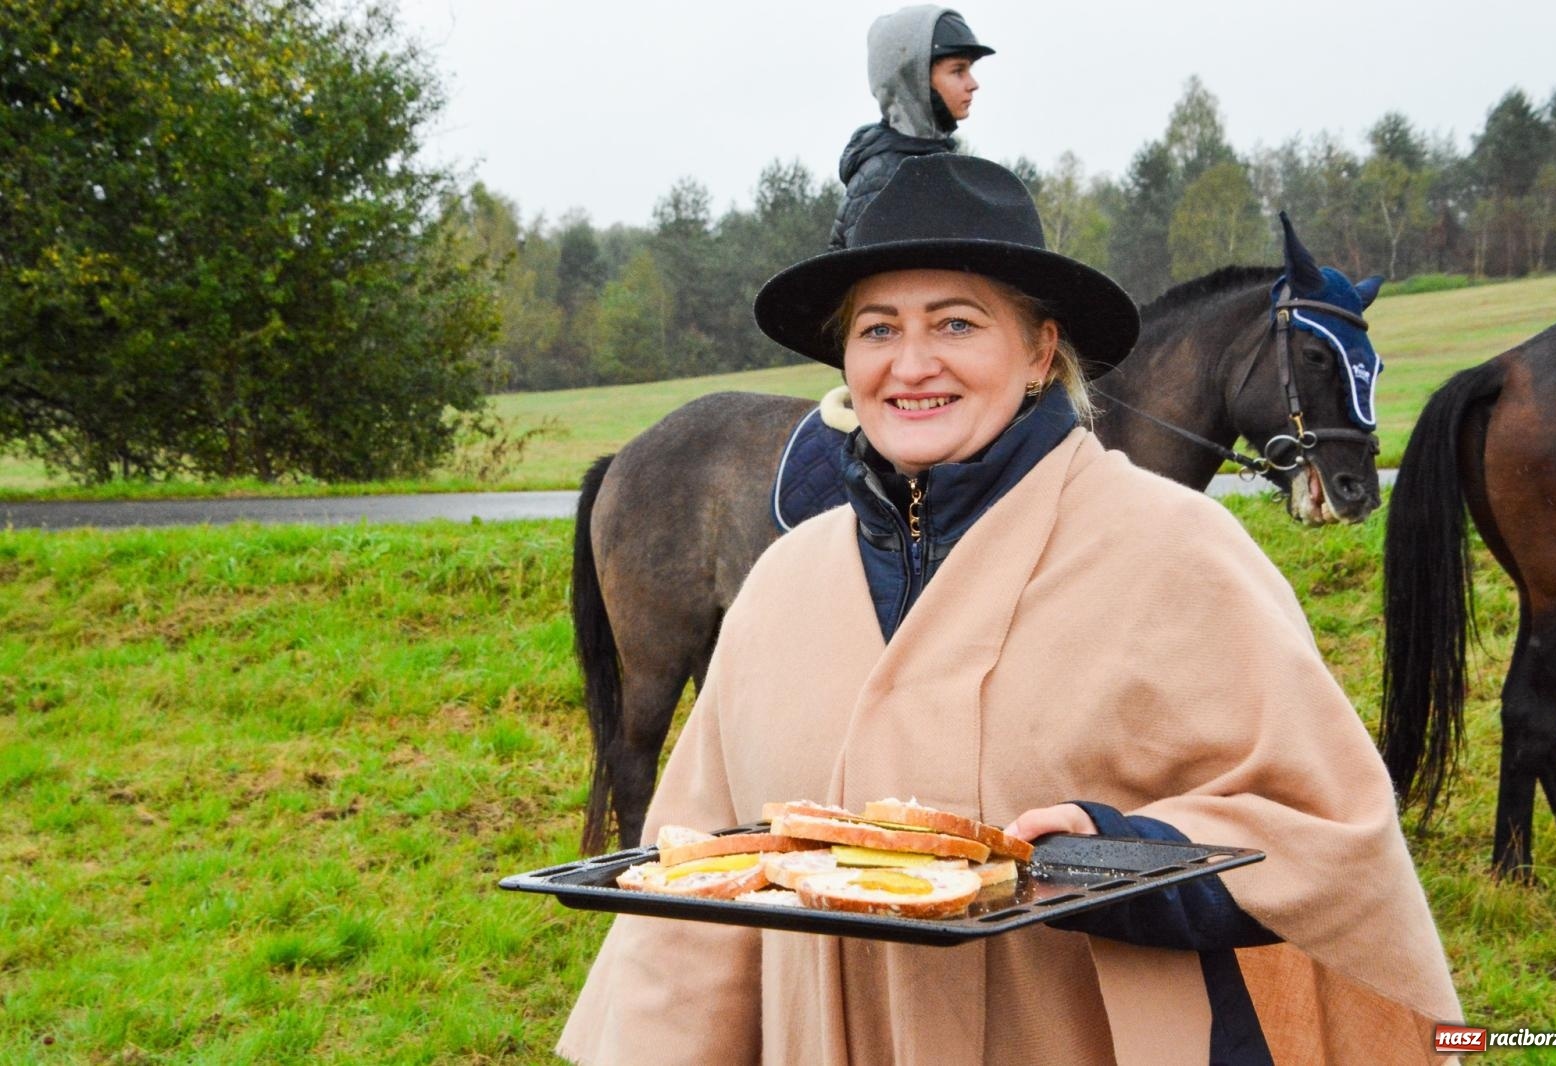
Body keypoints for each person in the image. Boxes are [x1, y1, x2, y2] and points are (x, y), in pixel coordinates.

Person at [557, 156, 1460, 1065]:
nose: (911, 365)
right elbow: (692, 904)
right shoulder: (783, 585)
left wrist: (1115, 852)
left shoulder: (1175, 551)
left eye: (956, 322)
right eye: (877, 328)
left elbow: (1328, 834)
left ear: (1039, 351)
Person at [827, 5, 993, 249]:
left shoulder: (932, 162)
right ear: (913, 80)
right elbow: (882, 282)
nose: (972, 84)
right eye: (958, 71)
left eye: (970, 70)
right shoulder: (885, 176)